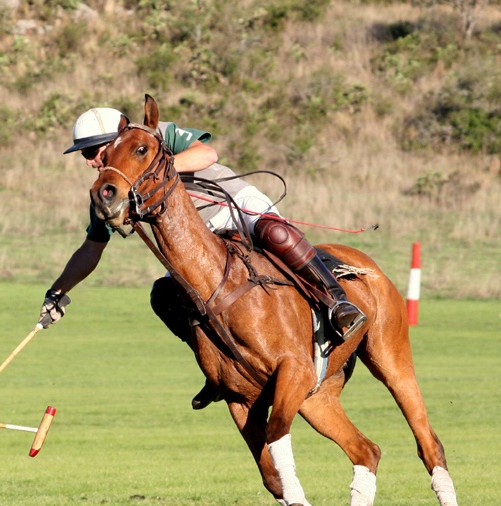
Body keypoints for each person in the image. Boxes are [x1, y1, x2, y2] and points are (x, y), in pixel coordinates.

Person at [39, 107, 367, 408]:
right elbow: (92, 247)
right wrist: (58, 291)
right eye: (84, 154)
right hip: (196, 248)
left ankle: (336, 302)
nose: (88, 161)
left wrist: (155, 168)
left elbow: (207, 153)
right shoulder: (110, 191)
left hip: (232, 206)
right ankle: (218, 370)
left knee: (276, 233)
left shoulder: (155, 136)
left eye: (90, 151)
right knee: (164, 295)